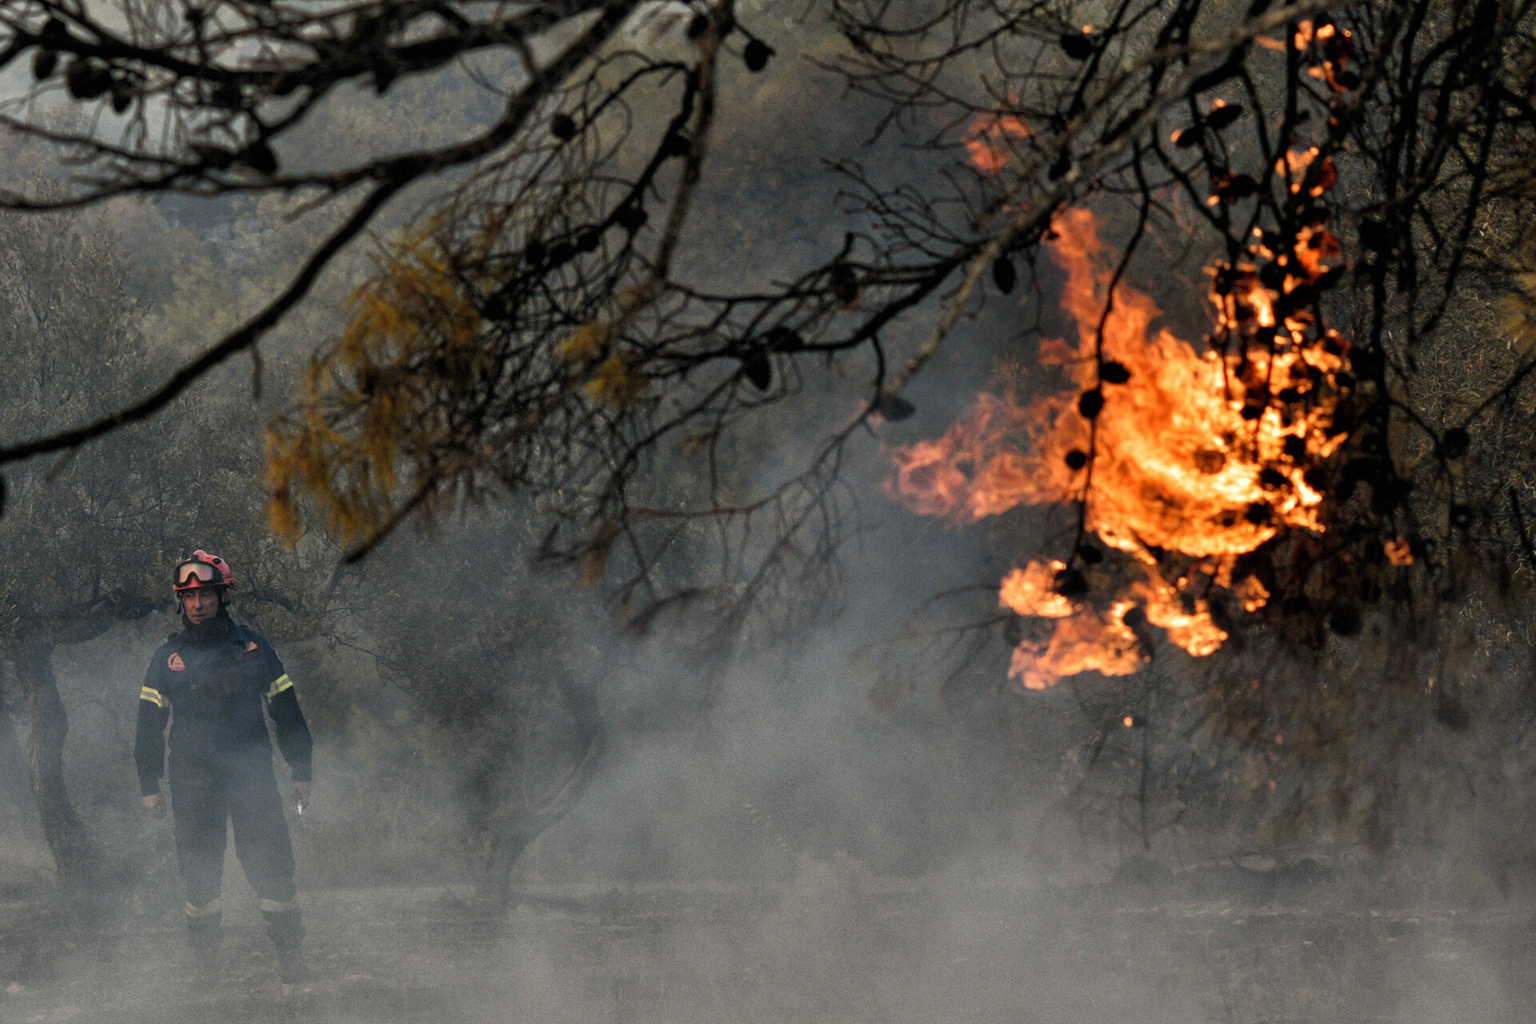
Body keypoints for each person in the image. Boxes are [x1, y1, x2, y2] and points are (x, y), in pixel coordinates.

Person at [135, 549, 313, 983]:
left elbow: (286, 709)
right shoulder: (167, 657)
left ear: (222, 596)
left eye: (207, 595)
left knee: (272, 865)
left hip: (251, 776)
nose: (198, 605)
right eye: (190, 597)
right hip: (193, 780)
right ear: (181, 601)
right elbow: (149, 725)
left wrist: (301, 769)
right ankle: (206, 966)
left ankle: (291, 960)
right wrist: (149, 783)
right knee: (198, 872)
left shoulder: (254, 648)